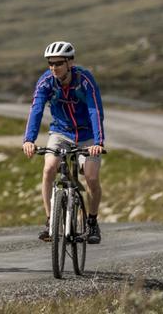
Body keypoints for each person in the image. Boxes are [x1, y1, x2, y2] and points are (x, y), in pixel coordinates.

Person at [22, 41, 105, 244]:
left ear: (70, 62)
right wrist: (29, 140)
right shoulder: (46, 82)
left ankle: (92, 222)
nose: (54, 68)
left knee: (92, 178)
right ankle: (51, 222)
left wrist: (99, 141)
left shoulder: (84, 80)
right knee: (49, 168)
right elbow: (37, 109)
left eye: (58, 63)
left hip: (87, 135)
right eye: (50, 63)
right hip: (60, 132)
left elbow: (95, 109)